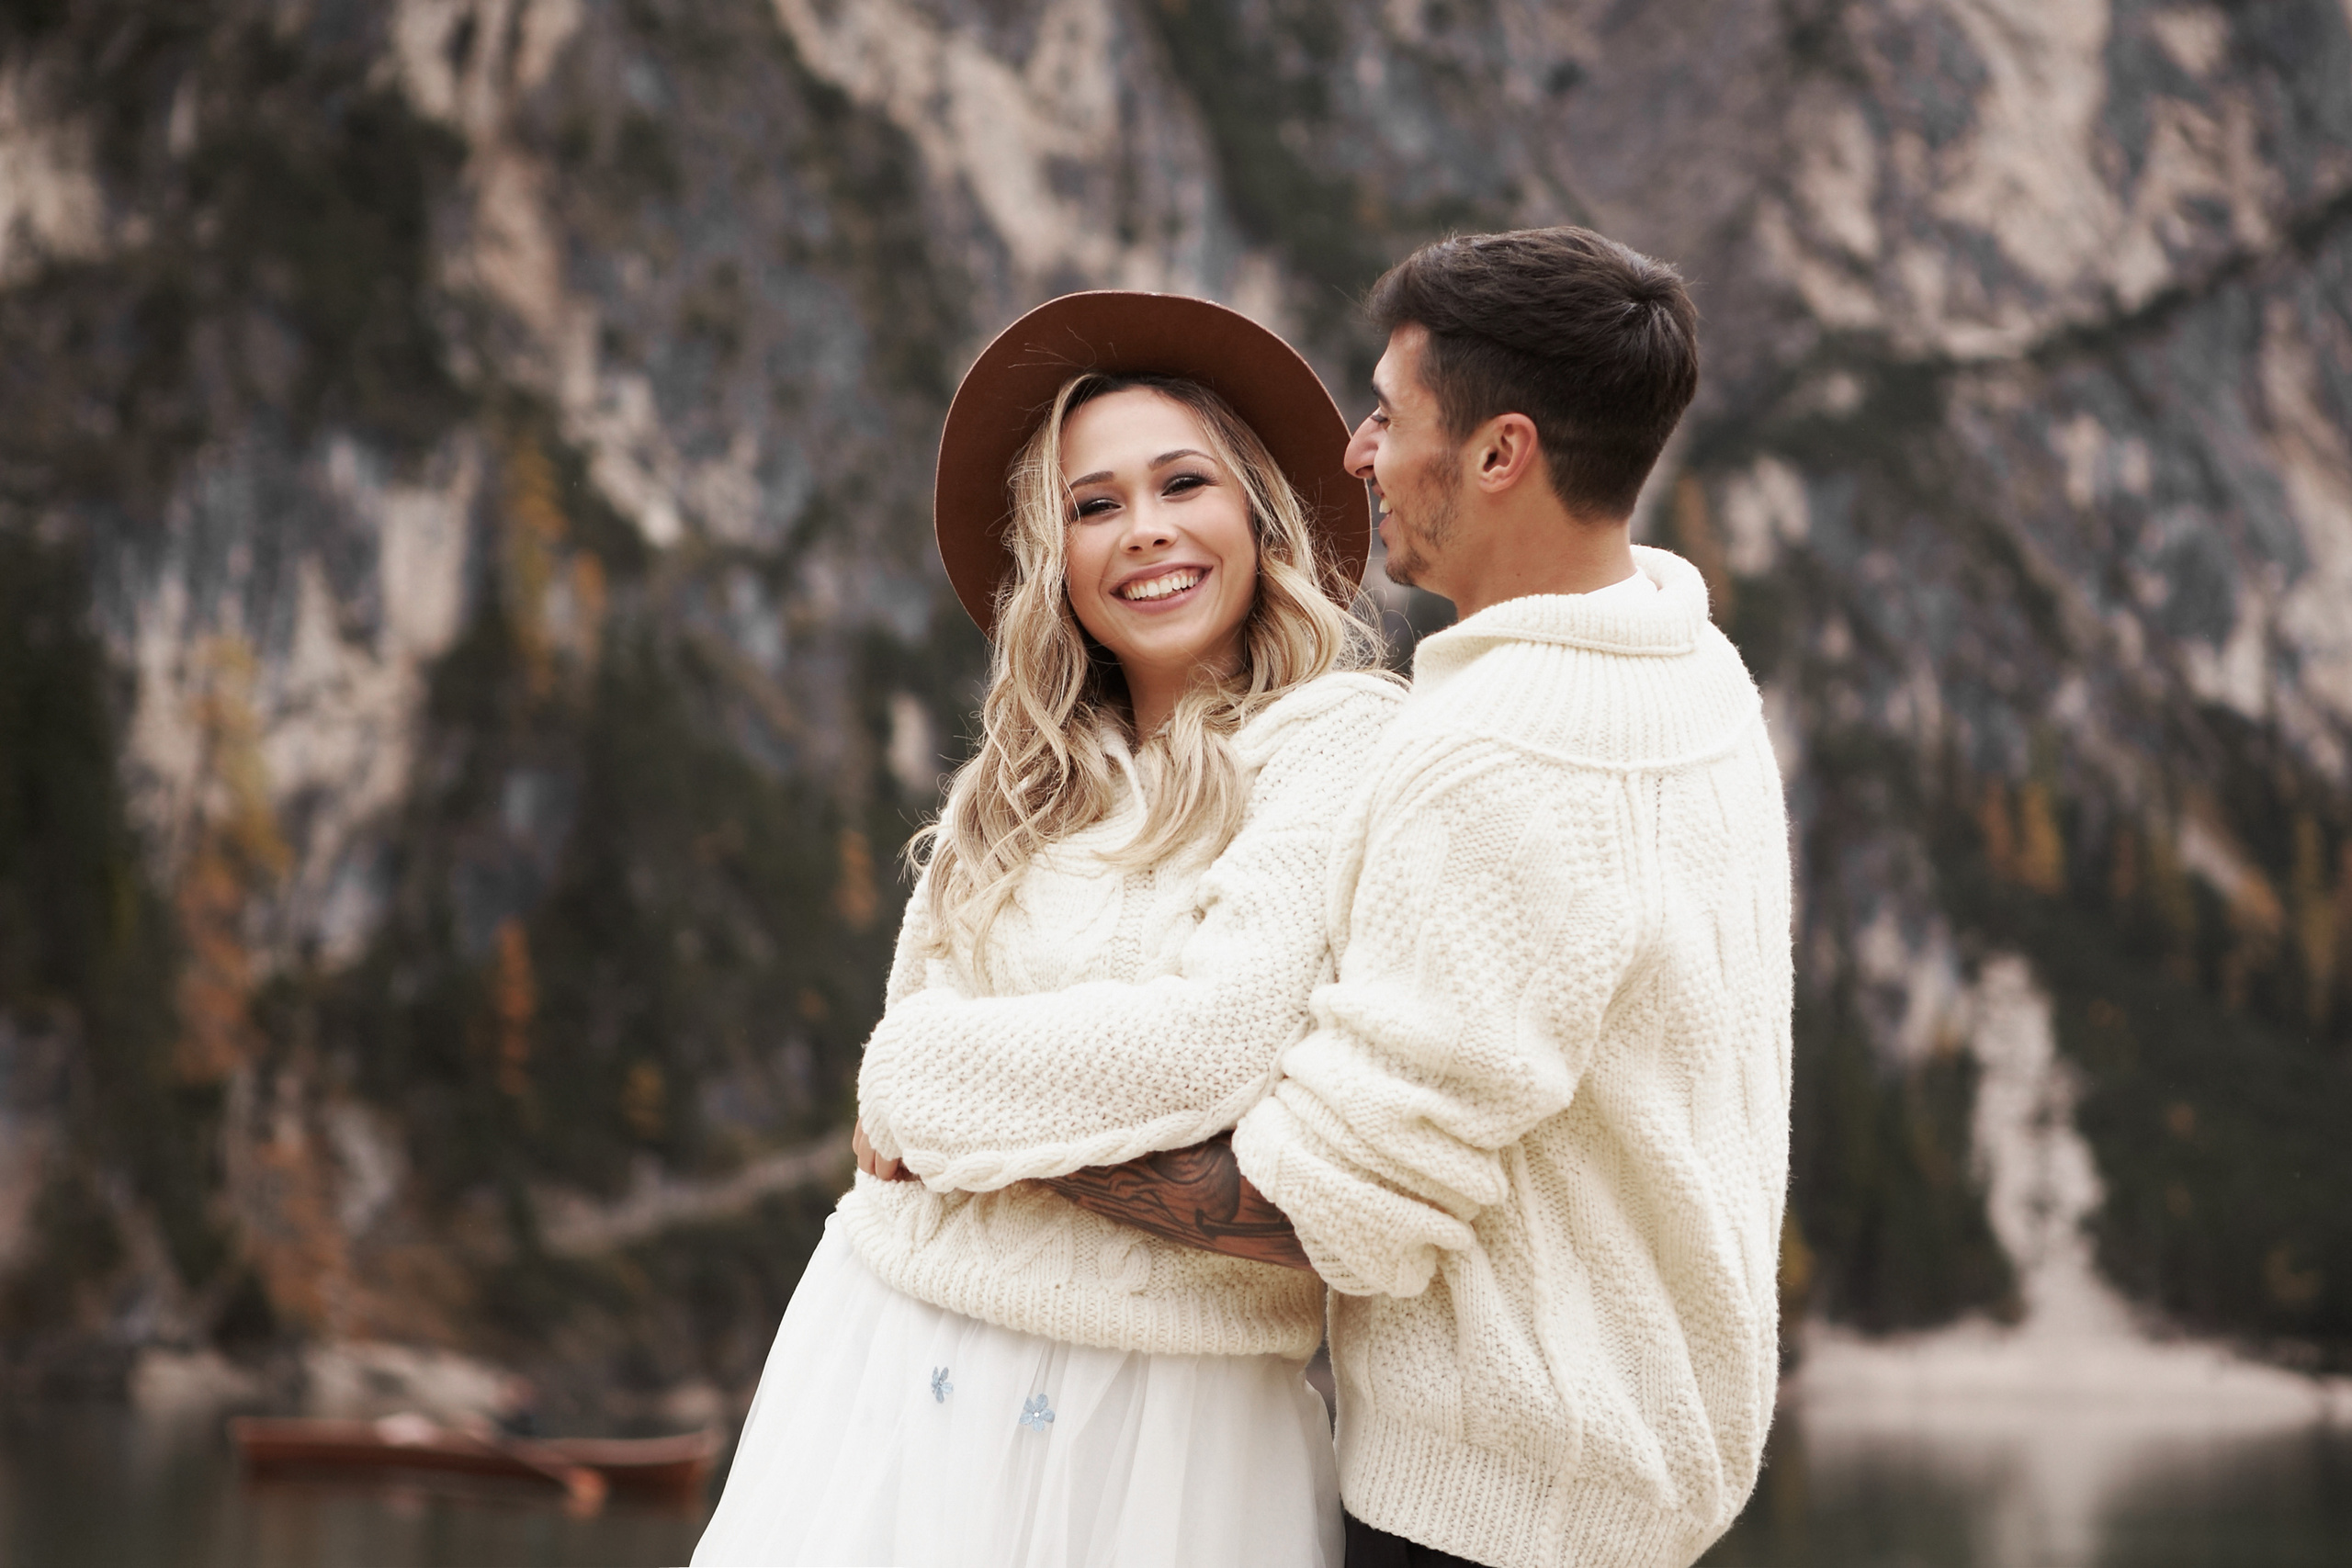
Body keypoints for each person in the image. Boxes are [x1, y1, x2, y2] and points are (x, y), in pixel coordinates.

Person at [870, 228, 1794, 1568]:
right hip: (1628, 1474)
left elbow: (1326, 1209)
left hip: (1493, 1505)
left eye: (1387, 414)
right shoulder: (1687, 666)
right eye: (1092, 504)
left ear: (1500, 454)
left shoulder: (1483, 752)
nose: (1357, 454)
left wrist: (942, 1109)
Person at [691, 289, 1400, 1568]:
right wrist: (925, 1080)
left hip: (1173, 1425)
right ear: (1055, 559)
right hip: (892, 1352)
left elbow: (1207, 1046)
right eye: (1093, 505)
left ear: (1255, 510)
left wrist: (924, 1083)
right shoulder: (1011, 789)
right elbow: (895, 1092)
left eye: (1183, 484)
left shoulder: (1340, 746)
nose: (1147, 533)